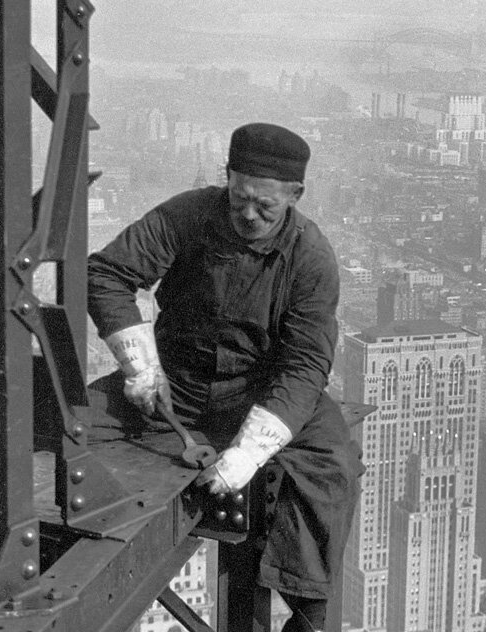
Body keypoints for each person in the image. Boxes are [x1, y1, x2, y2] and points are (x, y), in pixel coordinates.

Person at [87, 123, 362, 632]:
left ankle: (308, 615)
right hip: (176, 382)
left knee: (331, 465)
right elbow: (107, 274)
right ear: (226, 179)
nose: (249, 215)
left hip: (261, 390)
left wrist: (248, 453)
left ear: (295, 196)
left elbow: (304, 367)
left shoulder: (310, 258)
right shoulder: (187, 215)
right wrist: (141, 367)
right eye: (239, 199)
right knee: (76, 424)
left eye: (265, 206)